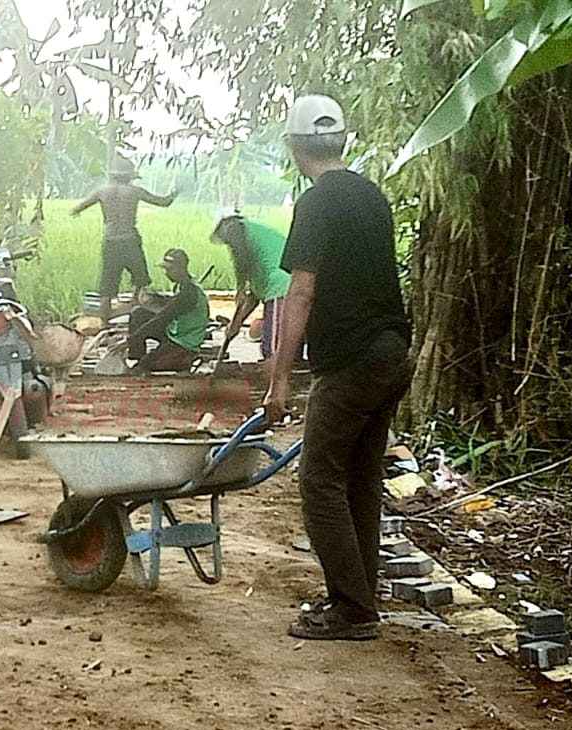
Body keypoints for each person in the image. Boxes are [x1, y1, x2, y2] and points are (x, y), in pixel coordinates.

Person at [263, 95, 413, 641]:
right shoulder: (372, 196)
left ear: (296, 147)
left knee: (319, 479)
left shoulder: (317, 203)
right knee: (361, 478)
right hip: (392, 352)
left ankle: (352, 609)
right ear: (342, 141)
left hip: (351, 361)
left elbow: (300, 292)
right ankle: (357, 598)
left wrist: (279, 379)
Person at [71, 156, 178, 323]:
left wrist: (78, 211)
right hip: (130, 239)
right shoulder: (135, 191)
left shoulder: (102, 191)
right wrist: (175, 193)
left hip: (110, 240)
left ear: (113, 175)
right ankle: (135, 310)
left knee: (106, 287)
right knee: (140, 279)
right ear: (129, 176)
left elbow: (77, 208)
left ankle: (104, 324)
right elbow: (163, 202)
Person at [210, 211, 290, 361]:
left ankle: (276, 381)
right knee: (284, 347)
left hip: (281, 287)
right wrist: (236, 324)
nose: (230, 248)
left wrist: (240, 288)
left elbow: (241, 263)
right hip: (283, 286)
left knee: (273, 350)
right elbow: (253, 297)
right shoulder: (254, 248)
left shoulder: (237, 230)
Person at [125, 248, 209, 373]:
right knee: (138, 313)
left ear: (181, 268)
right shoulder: (181, 286)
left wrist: (133, 338)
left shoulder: (189, 292)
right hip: (175, 332)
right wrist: (156, 297)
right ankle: (136, 356)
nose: (166, 273)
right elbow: (171, 302)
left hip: (184, 342)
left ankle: (181, 360)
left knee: (145, 366)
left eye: (170, 270)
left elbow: (163, 318)